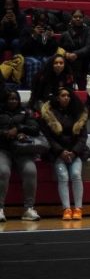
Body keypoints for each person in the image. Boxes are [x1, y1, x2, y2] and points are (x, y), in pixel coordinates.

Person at [40, 87, 90, 220]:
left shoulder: (79, 113)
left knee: (75, 174)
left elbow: (83, 137)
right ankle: (66, 209)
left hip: (75, 151)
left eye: (68, 95)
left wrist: (74, 152)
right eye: (63, 95)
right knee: (63, 175)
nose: (66, 97)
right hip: (57, 152)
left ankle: (78, 208)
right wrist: (61, 151)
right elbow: (48, 137)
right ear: (57, 97)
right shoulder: (49, 114)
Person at [0, 89, 42, 221]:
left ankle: (28, 209)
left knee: (31, 170)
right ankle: (0, 209)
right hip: (3, 149)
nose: (13, 101)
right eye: (10, 99)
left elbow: (35, 129)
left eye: (15, 99)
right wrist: (5, 133)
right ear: (5, 100)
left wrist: (20, 129)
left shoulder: (27, 112)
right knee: (2, 171)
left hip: (22, 150)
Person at [19, 15, 59, 89]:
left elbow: (52, 51)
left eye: (44, 20)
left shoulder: (47, 31)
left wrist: (51, 39)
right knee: (35, 63)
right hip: (29, 56)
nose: (42, 23)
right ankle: (32, 89)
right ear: (35, 20)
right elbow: (23, 49)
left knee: (48, 62)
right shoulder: (27, 30)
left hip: (44, 56)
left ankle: (47, 88)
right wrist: (34, 36)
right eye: (40, 20)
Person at [60, 10, 90, 87]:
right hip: (68, 59)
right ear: (71, 18)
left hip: (85, 59)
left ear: (83, 19)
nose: (78, 19)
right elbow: (60, 47)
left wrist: (76, 54)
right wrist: (66, 54)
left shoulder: (89, 31)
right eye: (75, 17)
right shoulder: (65, 32)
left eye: (80, 17)